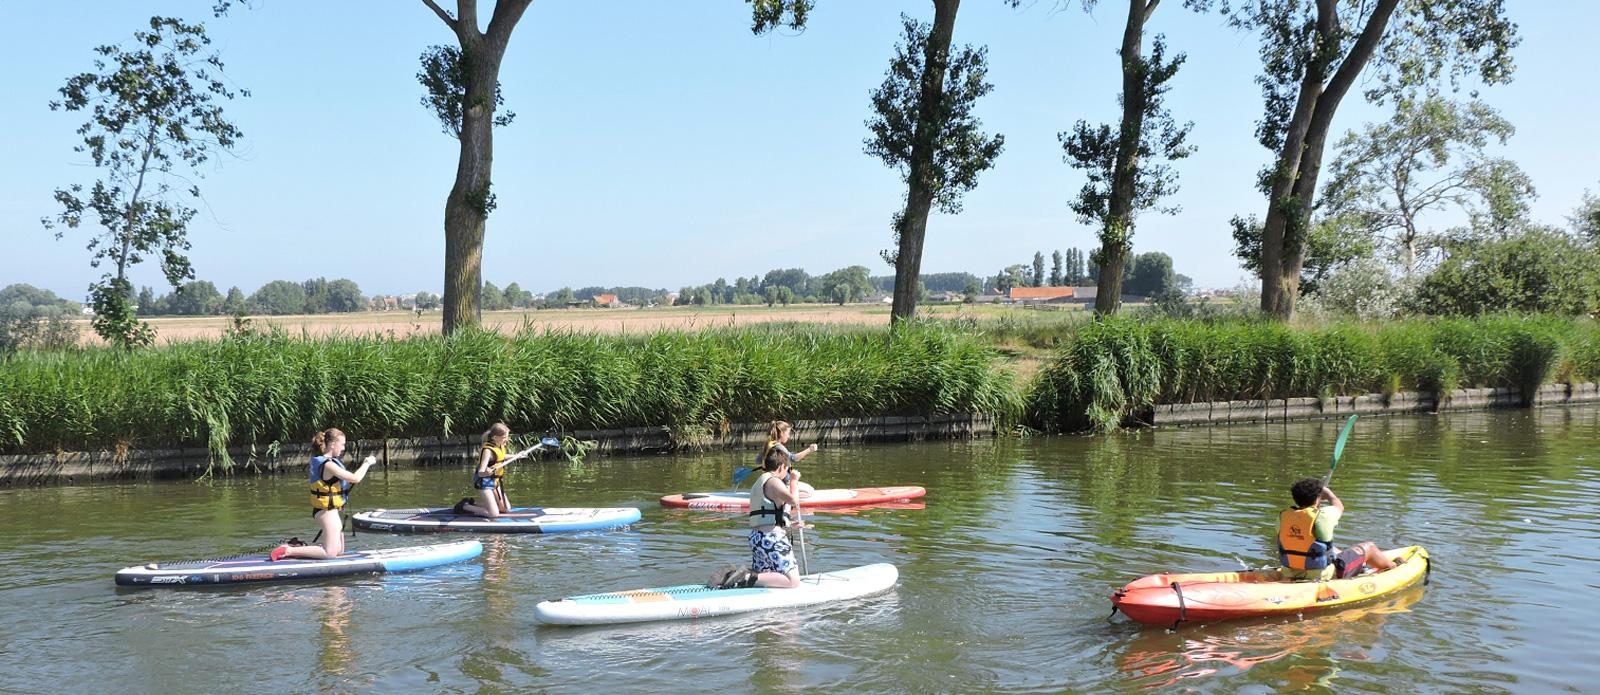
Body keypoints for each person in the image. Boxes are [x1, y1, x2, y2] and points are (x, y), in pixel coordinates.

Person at [273, 428, 377, 561]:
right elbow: (355, 478)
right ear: (332, 444)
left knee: (339, 551)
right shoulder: (328, 465)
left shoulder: (329, 462)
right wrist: (367, 463)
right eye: (342, 444)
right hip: (325, 512)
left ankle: (299, 547)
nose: (344, 448)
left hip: (331, 510)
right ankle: (287, 550)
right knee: (330, 554)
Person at [1277, 478, 1398, 581]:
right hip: (1322, 574)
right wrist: (1328, 494)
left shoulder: (1282, 517)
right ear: (1318, 498)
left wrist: (1317, 500)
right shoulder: (1323, 516)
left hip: (1290, 572)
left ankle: (1362, 567)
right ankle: (1394, 567)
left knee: (1331, 549)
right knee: (1369, 547)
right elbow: (1339, 506)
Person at [455, 423, 532, 518]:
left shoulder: (500, 445)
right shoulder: (487, 450)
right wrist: (486, 472)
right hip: (484, 482)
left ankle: (472, 502)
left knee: (505, 509)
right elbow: (481, 472)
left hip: (495, 481)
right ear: (495, 437)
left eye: (507, 437)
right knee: (493, 514)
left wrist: (517, 455)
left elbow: (500, 457)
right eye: (504, 437)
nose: (507, 439)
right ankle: (464, 506)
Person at [733, 420, 817, 496]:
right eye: (788, 433)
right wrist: (809, 449)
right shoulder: (779, 446)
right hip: (784, 482)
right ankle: (788, 495)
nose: (789, 436)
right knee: (810, 491)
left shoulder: (768, 444)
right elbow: (794, 458)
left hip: (768, 479)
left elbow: (758, 460)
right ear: (781, 433)